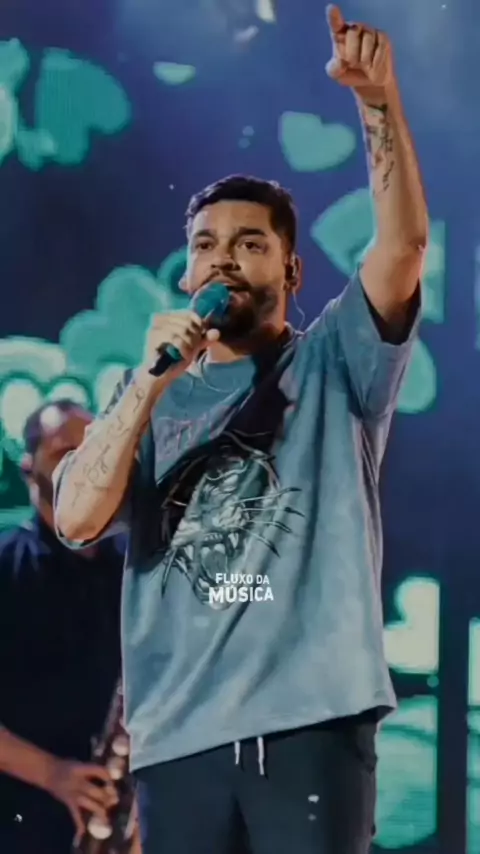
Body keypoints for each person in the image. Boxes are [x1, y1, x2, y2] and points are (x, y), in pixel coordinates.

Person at [53, 6, 428, 854]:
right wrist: (148, 386)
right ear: (188, 270)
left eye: (250, 244)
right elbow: (74, 520)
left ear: (291, 269)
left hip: (309, 726)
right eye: (206, 244)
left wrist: (377, 101)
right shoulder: (145, 396)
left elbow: (403, 249)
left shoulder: (336, 361)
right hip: (177, 742)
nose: (223, 256)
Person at [0, 400, 124, 854]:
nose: (80, 462)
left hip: (122, 819)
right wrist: (53, 773)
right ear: (28, 468)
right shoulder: (5, 567)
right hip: (23, 823)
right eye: (61, 452)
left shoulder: (134, 565)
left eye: (91, 448)